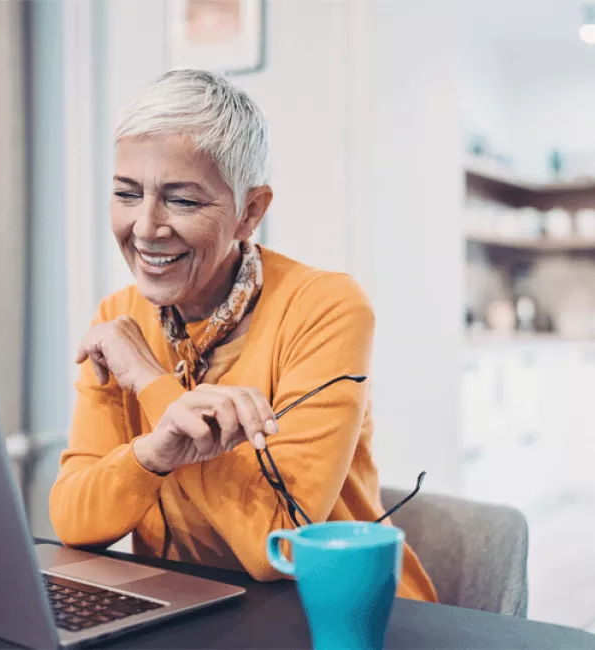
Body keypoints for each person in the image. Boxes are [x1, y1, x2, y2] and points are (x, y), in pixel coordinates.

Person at [49, 69, 437, 601]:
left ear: (249, 213)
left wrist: (151, 382)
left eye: (182, 200)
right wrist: (152, 455)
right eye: (127, 193)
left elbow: (277, 547)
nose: (144, 227)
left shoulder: (327, 308)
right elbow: (74, 519)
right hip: (193, 611)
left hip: (342, 615)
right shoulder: (119, 318)